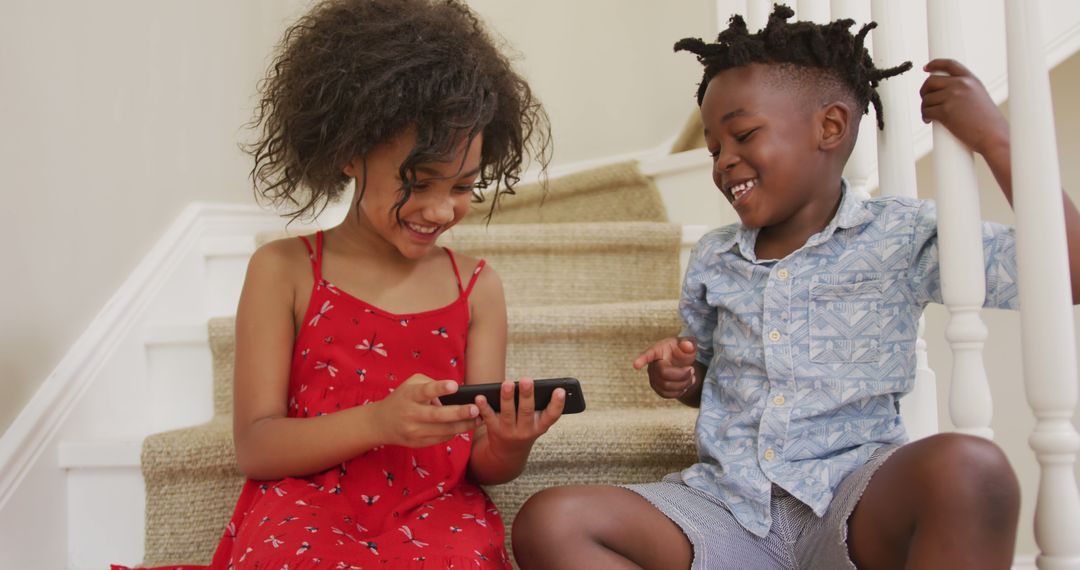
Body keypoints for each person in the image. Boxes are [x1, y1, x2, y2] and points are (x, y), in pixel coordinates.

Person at [511, 5, 1080, 570]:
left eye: (743, 134)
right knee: (552, 520)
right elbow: (709, 384)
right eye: (713, 148)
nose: (724, 161)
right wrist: (684, 377)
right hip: (726, 508)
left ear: (829, 127)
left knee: (970, 467)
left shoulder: (901, 233)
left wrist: (998, 140)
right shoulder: (714, 257)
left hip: (850, 503)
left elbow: (1068, 274)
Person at [114, 1, 560, 568]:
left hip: (435, 506)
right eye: (418, 181)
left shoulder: (477, 287)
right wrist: (379, 421)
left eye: (464, 186)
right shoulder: (285, 269)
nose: (440, 208)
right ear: (349, 151)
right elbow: (256, 445)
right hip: (306, 501)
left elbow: (479, 461)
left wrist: (509, 443)